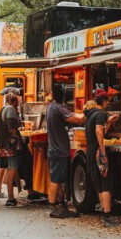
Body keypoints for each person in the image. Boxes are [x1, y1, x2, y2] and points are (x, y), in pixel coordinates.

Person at [46, 84, 84, 218]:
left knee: (58, 179)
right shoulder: (59, 108)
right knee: (56, 180)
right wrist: (89, 113)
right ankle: (54, 207)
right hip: (59, 149)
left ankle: (61, 205)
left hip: (54, 148)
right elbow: (76, 119)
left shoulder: (50, 107)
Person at [84, 88, 121, 228]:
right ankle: (108, 216)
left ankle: (104, 214)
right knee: (105, 182)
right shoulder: (100, 114)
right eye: (108, 102)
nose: (108, 104)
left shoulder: (90, 114)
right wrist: (103, 149)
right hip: (97, 150)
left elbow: (101, 129)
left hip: (90, 149)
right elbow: (99, 130)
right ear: (104, 101)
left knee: (98, 183)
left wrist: (110, 122)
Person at [0, 93, 23, 207]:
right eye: (18, 101)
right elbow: (12, 127)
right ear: (14, 101)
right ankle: (11, 197)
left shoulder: (3, 108)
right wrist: (15, 138)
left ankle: (12, 194)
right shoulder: (11, 109)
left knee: (9, 168)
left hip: (4, 143)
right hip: (10, 145)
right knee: (12, 168)